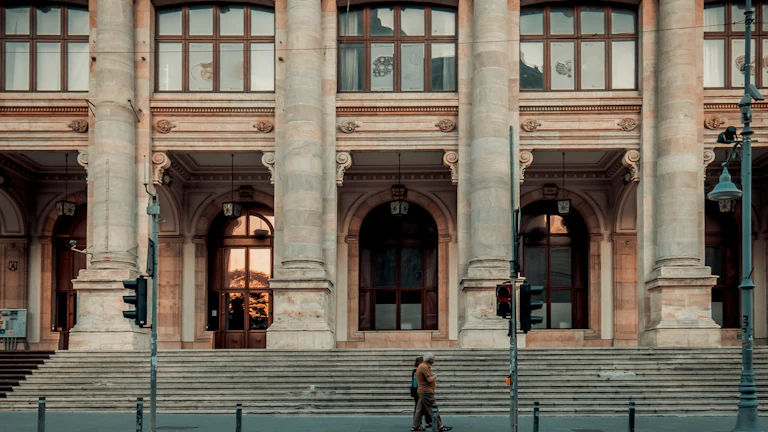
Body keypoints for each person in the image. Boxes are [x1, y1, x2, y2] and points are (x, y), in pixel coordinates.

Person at [411, 352, 451, 431]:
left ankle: (415, 425)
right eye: (434, 359)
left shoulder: (422, 366)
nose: (434, 360)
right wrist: (435, 376)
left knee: (420, 409)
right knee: (432, 408)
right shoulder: (424, 367)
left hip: (422, 391)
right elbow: (429, 379)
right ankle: (440, 426)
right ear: (430, 359)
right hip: (426, 391)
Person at [411, 356, 433, 428]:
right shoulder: (417, 371)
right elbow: (415, 383)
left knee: (423, 406)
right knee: (419, 407)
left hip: (418, 390)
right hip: (418, 390)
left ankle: (428, 421)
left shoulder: (418, 370)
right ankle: (418, 424)